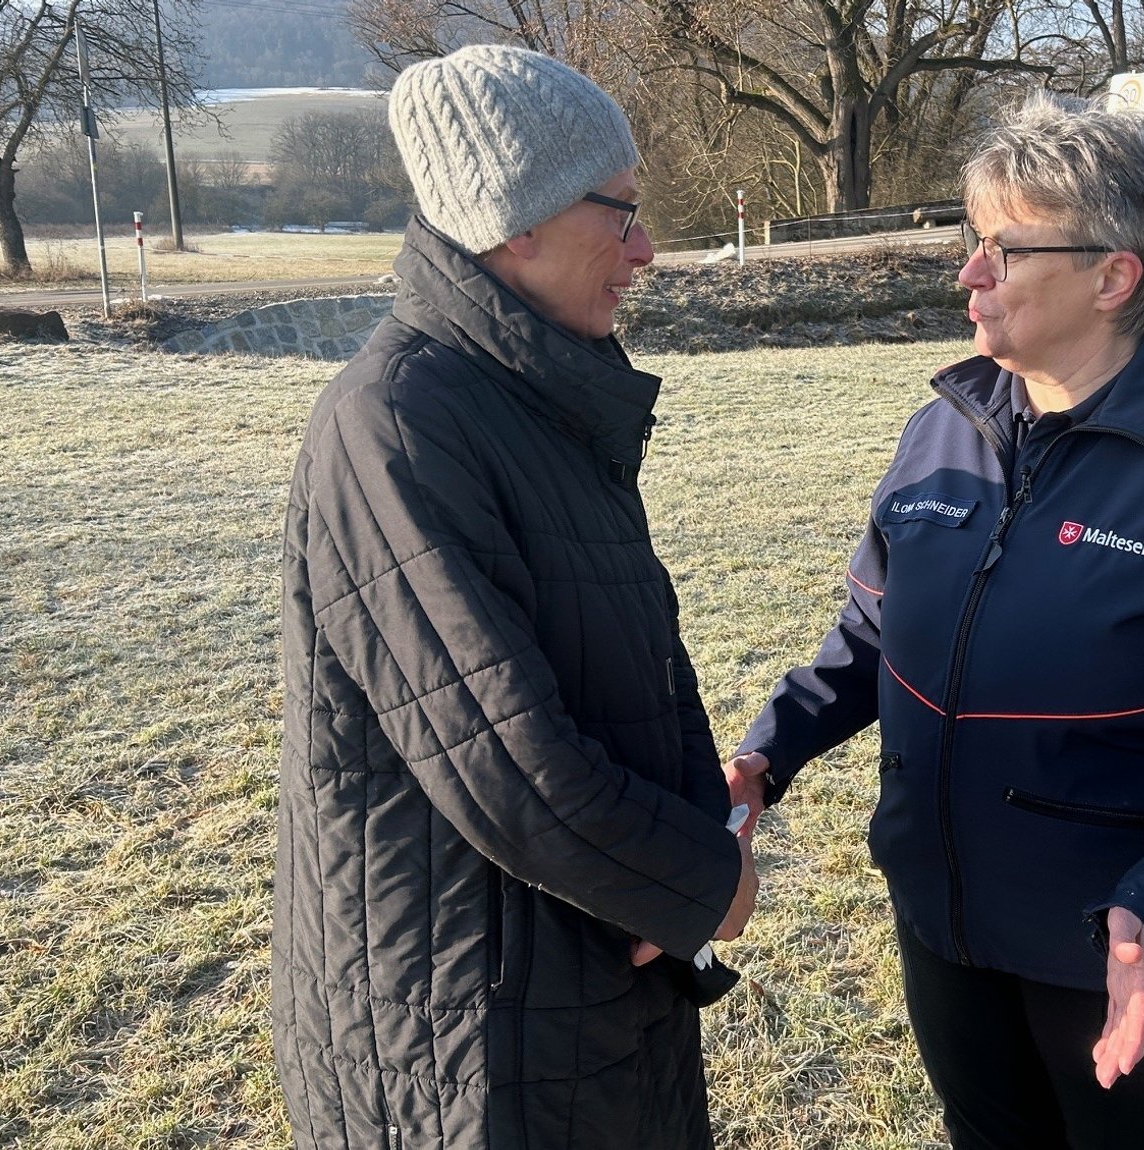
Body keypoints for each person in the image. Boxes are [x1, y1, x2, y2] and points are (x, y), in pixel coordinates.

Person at [726, 94, 1144, 1149]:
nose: (967, 274)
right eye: (970, 240)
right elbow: (873, 631)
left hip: (1118, 949)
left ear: (1112, 274)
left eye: (1004, 249)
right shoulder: (943, 425)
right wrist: (767, 753)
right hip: (941, 920)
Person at [273, 45, 754, 1150]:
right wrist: (701, 877)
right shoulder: (397, 425)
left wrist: (679, 856)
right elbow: (506, 759)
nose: (644, 248)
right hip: (467, 1036)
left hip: (580, 986)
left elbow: (627, 662)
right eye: (620, 213)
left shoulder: (540, 398)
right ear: (513, 222)